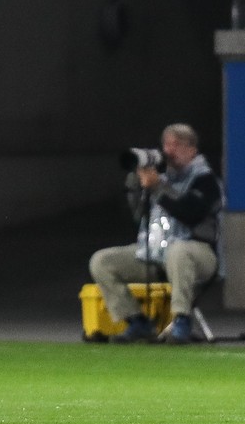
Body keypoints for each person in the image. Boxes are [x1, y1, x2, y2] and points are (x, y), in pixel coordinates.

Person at [89, 123, 223, 344]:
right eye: (167, 145)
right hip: (155, 252)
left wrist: (158, 187)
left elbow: (189, 213)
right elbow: (138, 217)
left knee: (178, 251)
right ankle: (137, 321)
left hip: (199, 253)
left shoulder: (205, 179)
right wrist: (137, 184)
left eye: (178, 145)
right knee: (102, 261)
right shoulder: (160, 177)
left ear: (192, 150)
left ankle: (181, 319)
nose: (170, 151)